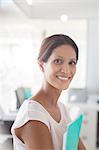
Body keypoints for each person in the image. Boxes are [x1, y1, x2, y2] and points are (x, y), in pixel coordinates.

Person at [11, 34, 86, 150]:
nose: (66, 70)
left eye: (72, 62)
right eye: (58, 61)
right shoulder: (33, 114)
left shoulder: (62, 109)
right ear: (42, 65)